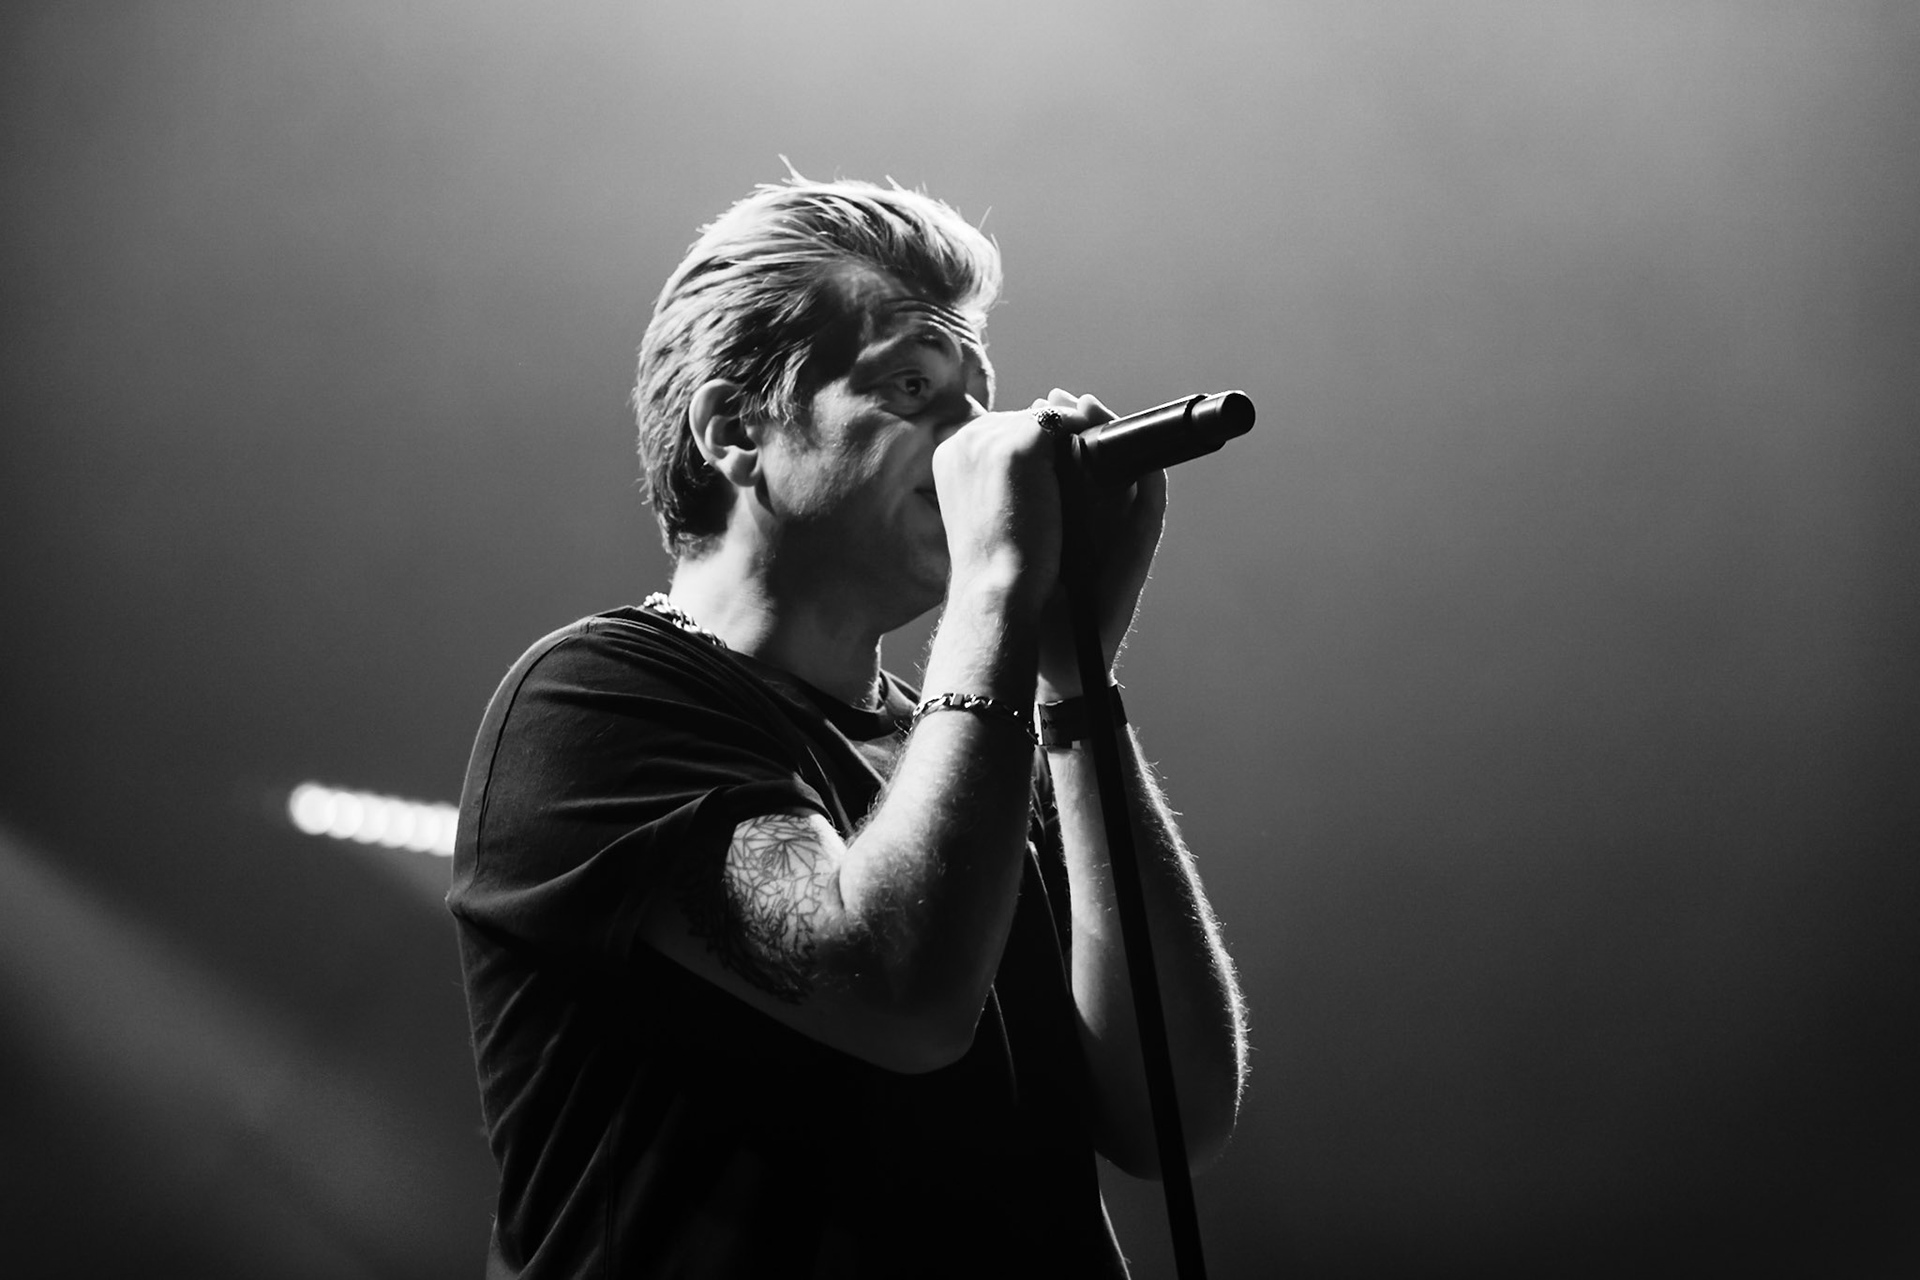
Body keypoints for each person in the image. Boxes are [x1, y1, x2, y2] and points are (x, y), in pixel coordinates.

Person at [448, 174, 1248, 1277]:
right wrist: (999, 589)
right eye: (914, 385)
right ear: (736, 427)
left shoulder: (971, 743)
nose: (975, 439)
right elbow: (899, 994)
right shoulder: (593, 697)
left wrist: (1076, 685)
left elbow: (1173, 1115)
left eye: (979, 395)